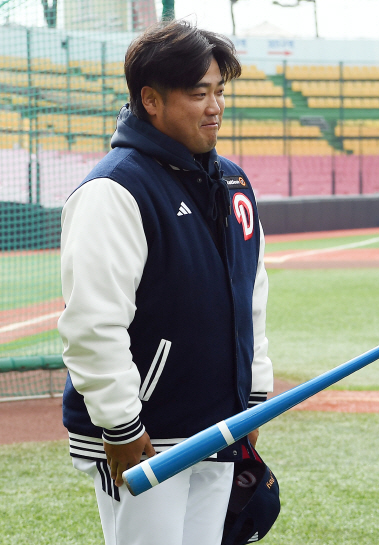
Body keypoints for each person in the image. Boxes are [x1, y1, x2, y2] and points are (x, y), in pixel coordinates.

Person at [58, 20, 274, 545]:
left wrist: (254, 395)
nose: (215, 106)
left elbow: (252, 294)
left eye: (219, 91)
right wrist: (121, 425)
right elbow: (92, 323)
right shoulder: (113, 188)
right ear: (150, 101)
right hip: (144, 437)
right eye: (198, 93)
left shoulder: (232, 180)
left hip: (216, 427)